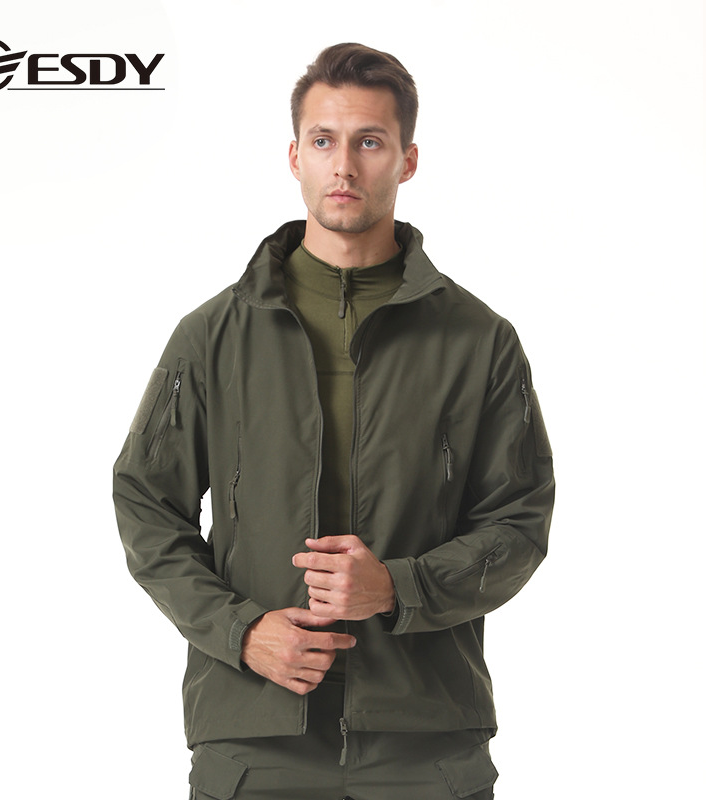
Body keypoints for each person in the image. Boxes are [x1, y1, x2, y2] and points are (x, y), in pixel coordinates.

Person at [113, 42, 554, 800]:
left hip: (426, 736)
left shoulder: (479, 340)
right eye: (324, 141)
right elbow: (146, 504)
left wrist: (398, 587)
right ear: (295, 157)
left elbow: (519, 523)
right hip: (254, 734)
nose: (344, 165)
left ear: (407, 161)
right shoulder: (211, 336)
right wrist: (241, 632)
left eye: (369, 142)